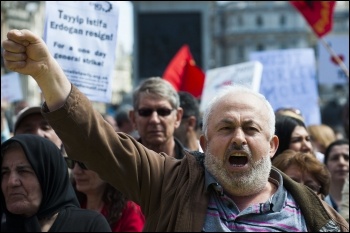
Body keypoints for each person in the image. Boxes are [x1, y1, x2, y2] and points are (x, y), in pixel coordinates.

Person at [2, 29, 349, 231]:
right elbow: (98, 142)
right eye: (225, 128)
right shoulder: (171, 184)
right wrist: (48, 74)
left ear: (272, 144)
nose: (238, 137)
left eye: (250, 128)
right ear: (203, 140)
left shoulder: (315, 213)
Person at [1, 134, 111, 232]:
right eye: (4, 172)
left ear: (49, 176)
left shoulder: (89, 225)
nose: (11, 182)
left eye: (23, 171)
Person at [67, 157, 145, 232]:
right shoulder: (70, 208)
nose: (76, 171)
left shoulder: (130, 212)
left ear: (109, 166)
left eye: (84, 164)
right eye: (72, 162)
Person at [128, 77, 186, 158]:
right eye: (145, 112)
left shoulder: (196, 167)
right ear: (133, 118)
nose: (154, 120)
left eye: (163, 112)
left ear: (177, 117)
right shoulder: (119, 166)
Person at [324, 139, 349, 213]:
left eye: (347, 158)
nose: (341, 162)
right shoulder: (318, 201)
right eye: (335, 158)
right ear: (325, 165)